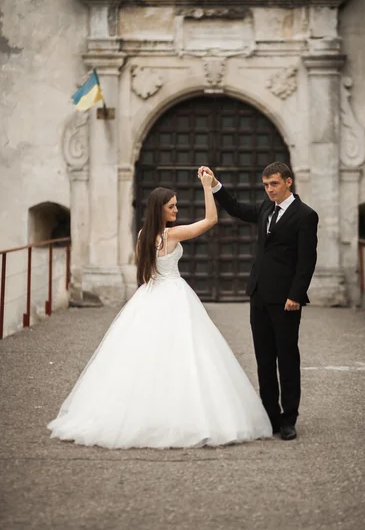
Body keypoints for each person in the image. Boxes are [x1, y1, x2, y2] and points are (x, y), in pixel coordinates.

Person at [48, 171, 272, 449]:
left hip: (149, 295)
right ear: (160, 209)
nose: (177, 210)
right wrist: (206, 187)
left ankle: (144, 413)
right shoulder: (171, 234)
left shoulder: (144, 234)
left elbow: (145, 273)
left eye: (176, 205)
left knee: (145, 356)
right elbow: (211, 220)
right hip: (174, 294)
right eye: (172, 206)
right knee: (185, 354)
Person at [198, 162, 318, 440]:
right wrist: (215, 184)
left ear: (288, 182)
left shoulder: (306, 216)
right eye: (265, 185)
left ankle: (289, 419)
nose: (269, 190)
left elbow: (306, 261)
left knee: (287, 360)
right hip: (259, 296)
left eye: (274, 184)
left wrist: (295, 296)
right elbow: (237, 208)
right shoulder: (266, 208)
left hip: (286, 300)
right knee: (264, 361)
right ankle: (270, 417)